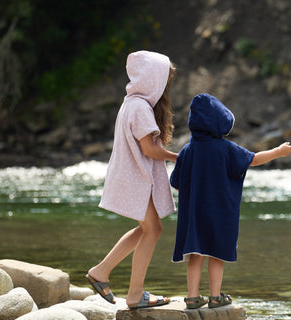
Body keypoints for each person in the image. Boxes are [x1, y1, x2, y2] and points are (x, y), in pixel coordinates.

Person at [170, 93, 291, 309]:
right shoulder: (225, 148)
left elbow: (177, 183)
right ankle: (216, 297)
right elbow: (253, 159)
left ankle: (192, 297)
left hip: (194, 214)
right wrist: (278, 152)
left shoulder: (187, 151)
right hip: (219, 212)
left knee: (196, 253)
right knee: (216, 252)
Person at [86, 50, 178, 309]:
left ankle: (101, 272)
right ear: (152, 80)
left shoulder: (132, 103)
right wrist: (179, 157)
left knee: (147, 228)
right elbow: (149, 150)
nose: (165, 86)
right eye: (164, 80)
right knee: (154, 229)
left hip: (129, 176)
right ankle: (135, 294)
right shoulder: (140, 107)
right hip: (135, 178)